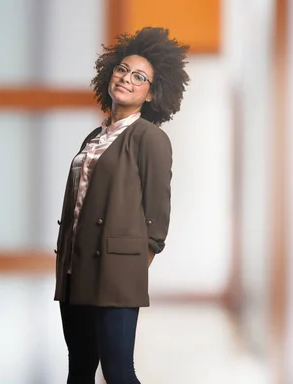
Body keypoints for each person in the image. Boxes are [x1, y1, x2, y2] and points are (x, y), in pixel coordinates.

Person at [53, 26, 189, 384]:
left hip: (115, 270)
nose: (126, 78)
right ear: (109, 72)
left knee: (117, 371)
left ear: (151, 93)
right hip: (74, 265)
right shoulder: (94, 137)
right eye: (122, 69)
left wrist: (133, 265)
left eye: (139, 77)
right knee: (79, 366)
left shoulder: (150, 138)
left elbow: (157, 214)